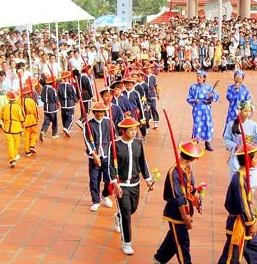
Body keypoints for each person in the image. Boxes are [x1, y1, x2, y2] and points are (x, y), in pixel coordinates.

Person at [153, 140, 205, 264]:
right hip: (176, 213)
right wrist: (185, 216)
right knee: (182, 243)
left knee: (174, 236)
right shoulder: (175, 172)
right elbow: (179, 197)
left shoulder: (187, 168)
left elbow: (189, 189)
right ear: (191, 158)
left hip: (186, 209)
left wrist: (197, 202)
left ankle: (159, 259)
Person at [109, 115, 154, 255]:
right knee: (127, 214)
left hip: (135, 183)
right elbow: (110, 166)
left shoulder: (138, 143)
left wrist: (147, 178)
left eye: (135, 129)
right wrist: (115, 184)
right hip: (121, 185)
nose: (134, 132)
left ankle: (118, 217)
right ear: (123, 131)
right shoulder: (115, 145)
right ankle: (126, 243)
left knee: (132, 209)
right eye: (130, 130)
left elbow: (142, 161)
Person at [217, 142, 257, 264]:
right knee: (231, 257)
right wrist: (251, 223)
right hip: (239, 224)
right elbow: (243, 205)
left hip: (244, 222)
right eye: (255, 157)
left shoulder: (244, 176)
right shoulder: (239, 179)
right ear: (248, 160)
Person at [223, 100, 257, 191]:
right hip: (237, 155)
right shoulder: (232, 124)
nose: (247, 113)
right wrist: (235, 146)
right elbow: (226, 138)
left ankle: (248, 199)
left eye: (249, 111)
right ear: (239, 111)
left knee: (250, 182)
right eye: (245, 111)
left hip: (249, 156)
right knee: (236, 180)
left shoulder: (253, 125)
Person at [83, 102, 113, 212]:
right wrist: (94, 155)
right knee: (94, 179)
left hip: (106, 154)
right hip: (94, 155)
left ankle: (105, 195)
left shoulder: (108, 122)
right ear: (93, 113)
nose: (99, 115)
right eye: (97, 113)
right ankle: (96, 201)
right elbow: (87, 140)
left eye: (101, 113)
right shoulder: (89, 124)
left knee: (109, 178)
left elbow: (113, 138)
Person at [186, 70, 219, 151]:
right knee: (197, 125)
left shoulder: (209, 87)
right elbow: (188, 98)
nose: (198, 78)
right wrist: (194, 100)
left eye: (200, 77)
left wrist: (212, 96)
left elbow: (216, 96)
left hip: (206, 110)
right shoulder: (193, 87)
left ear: (204, 78)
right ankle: (195, 142)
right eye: (197, 76)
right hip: (197, 109)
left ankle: (207, 142)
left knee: (207, 124)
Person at [0, 90, 25, 168]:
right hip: (16, 127)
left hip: (7, 127)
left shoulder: (5, 106)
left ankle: (12, 158)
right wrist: (23, 126)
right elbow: (22, 117)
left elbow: (1, 116)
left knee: (10, 144)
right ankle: (15, 154)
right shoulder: (18, 107)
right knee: (16, 143)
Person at [21, 84, 39, 157]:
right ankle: (32, 145)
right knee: (34, 133)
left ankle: (27, 151)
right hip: (31, 119)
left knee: (26, 136)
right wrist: (37, 118)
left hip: (24, 120)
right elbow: (35, 111)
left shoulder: (19, 101)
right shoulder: (31, 101)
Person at [40, 76, 60, 141]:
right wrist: (58, 104)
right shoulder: (53, 90)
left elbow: (42, 98)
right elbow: (56, 99)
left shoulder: (44, 88)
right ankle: (54, 134)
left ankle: (43, 130)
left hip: (46, 107)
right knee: (54, 121)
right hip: (52, 107)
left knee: (46, 121)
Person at [58, 71, 76, 137]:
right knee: (70, 118)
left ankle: (65, 127)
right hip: (70, 104)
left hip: (63, 104)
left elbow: (58, 95)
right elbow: (74, 94)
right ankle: (67, 128)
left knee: (64, 117)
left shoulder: (59, 86)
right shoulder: (71, 86)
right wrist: (75, 100)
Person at [144, 63, 160, 128]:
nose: (147, 70)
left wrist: (157, 93)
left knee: (153, 107)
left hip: (152, 93)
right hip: (145, 94)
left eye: (149, 69)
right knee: (147, 108)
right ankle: (148, 120)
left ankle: (156, 121)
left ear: (151, 69)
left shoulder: (153, 77)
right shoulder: (144, 77)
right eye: (146, 69)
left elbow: (156, 85)